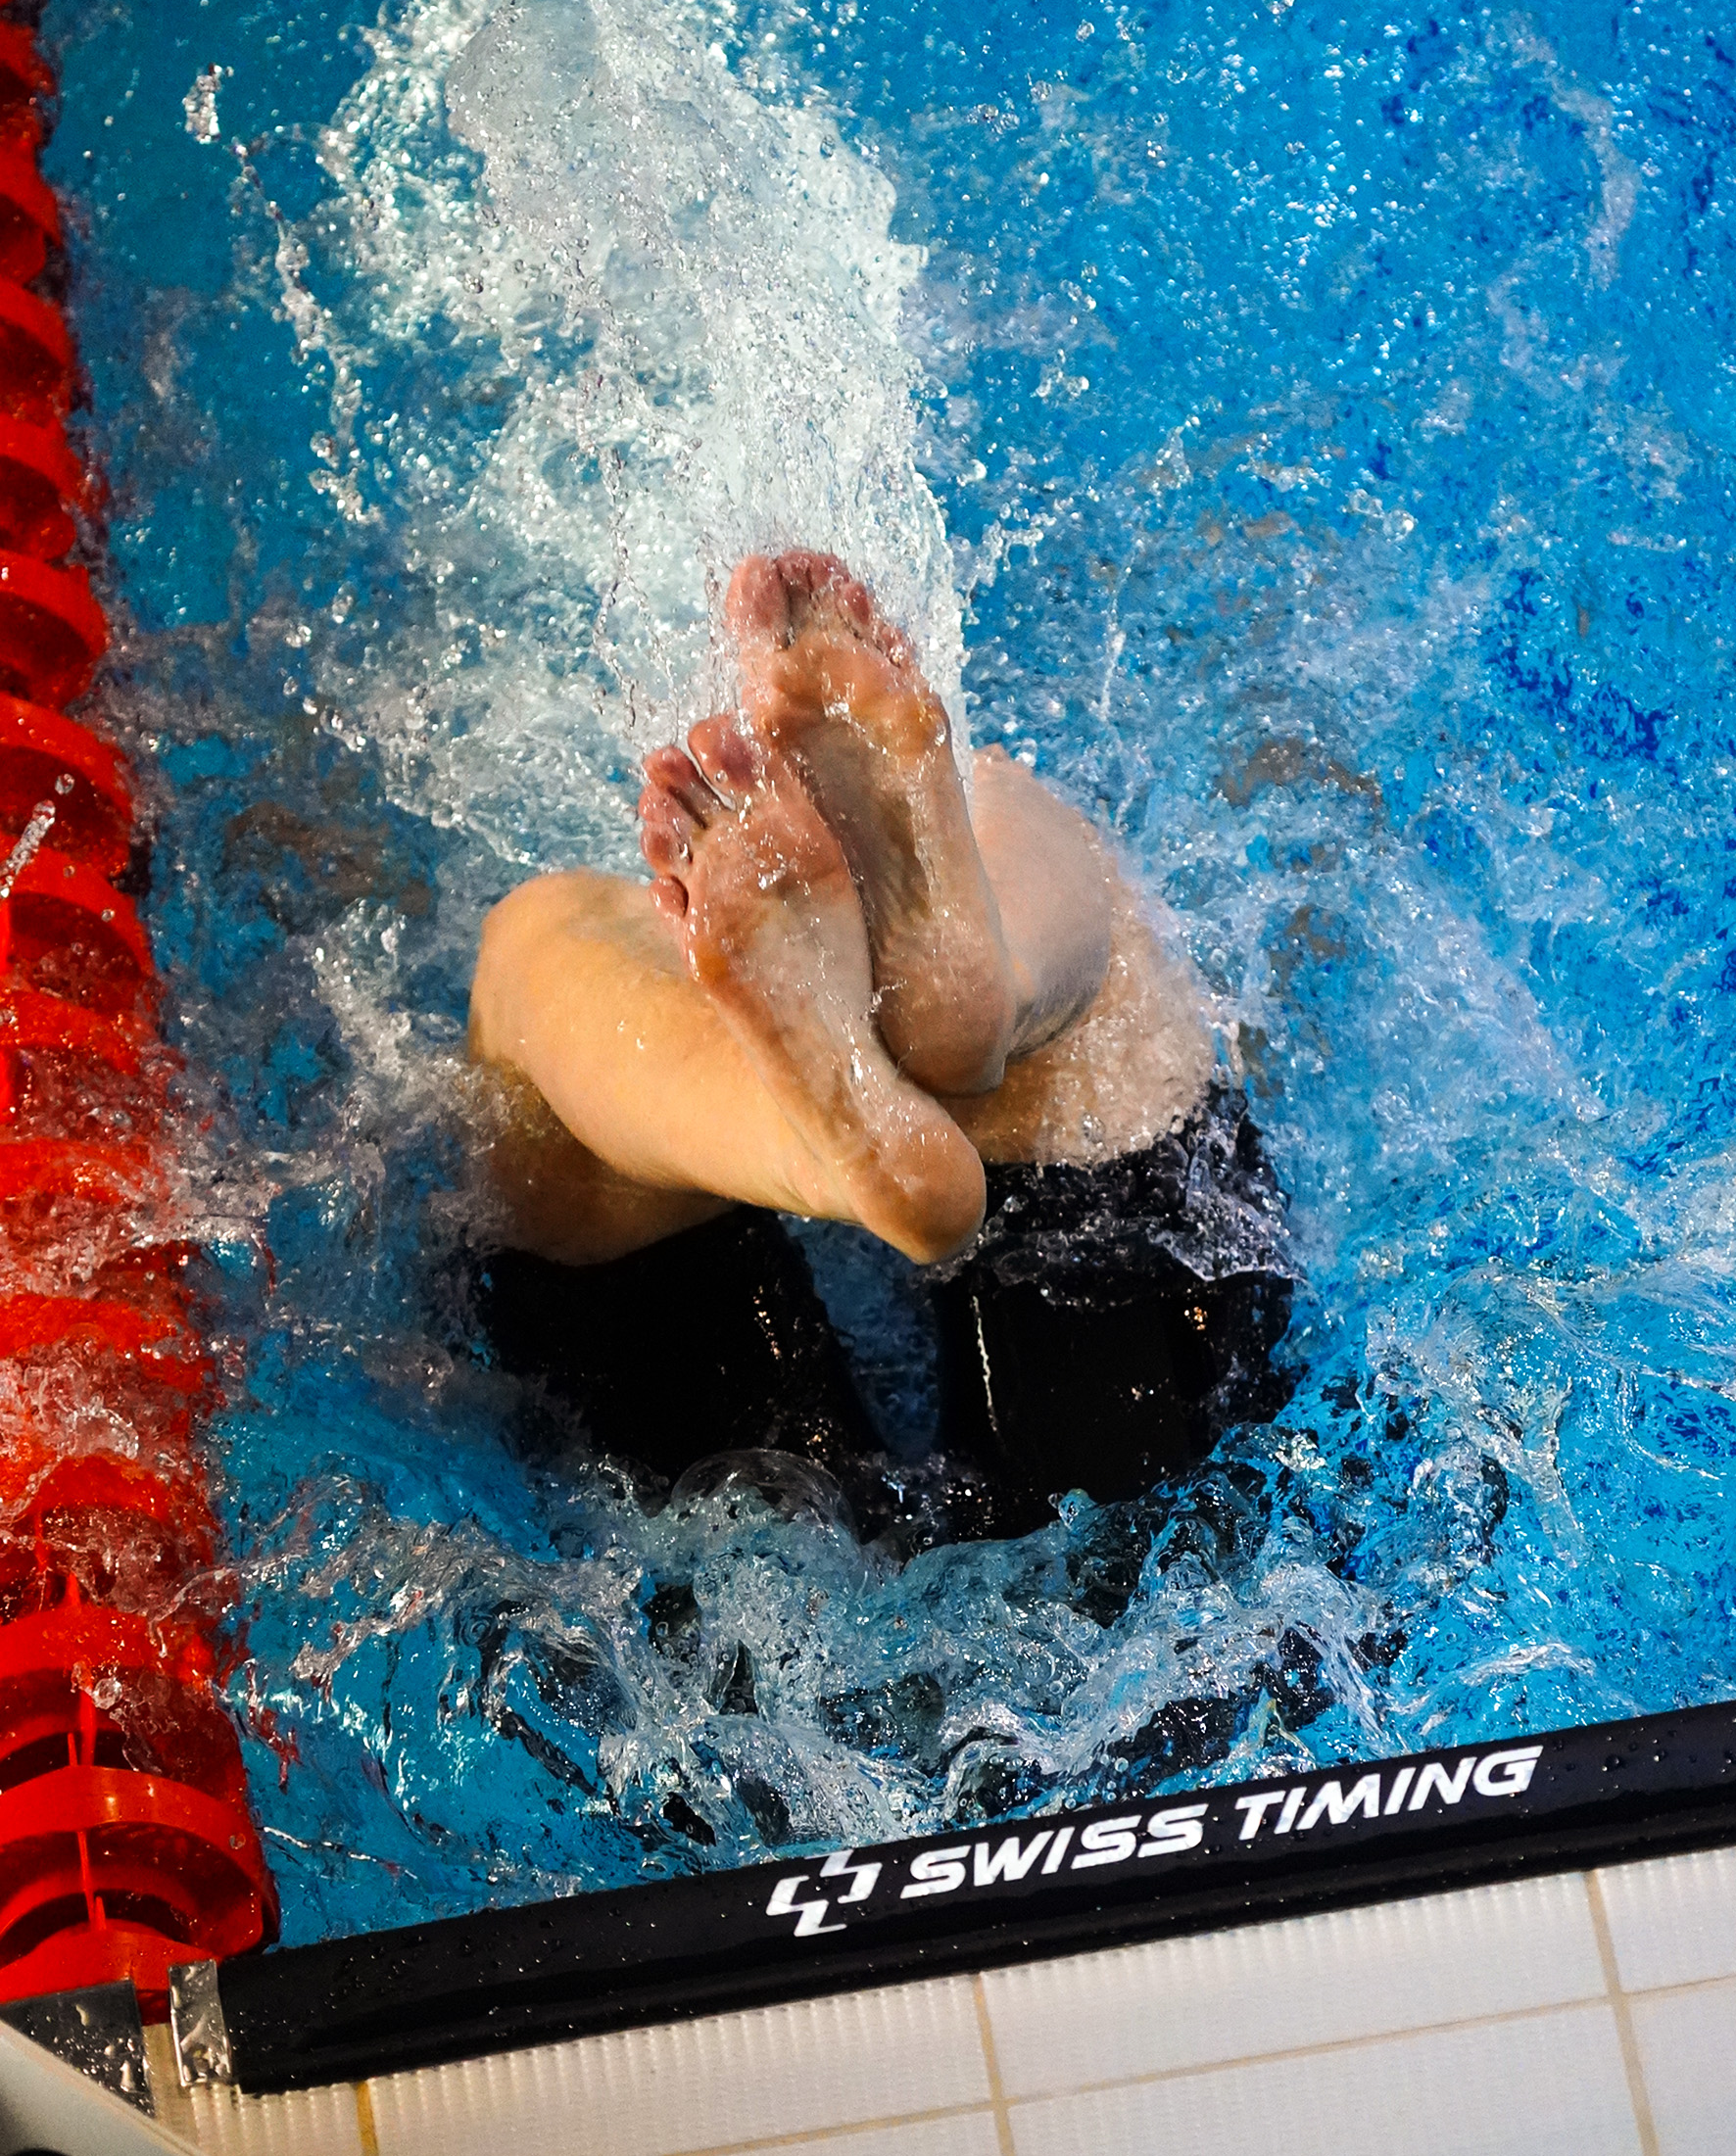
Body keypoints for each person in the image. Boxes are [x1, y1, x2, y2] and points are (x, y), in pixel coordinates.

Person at [466, 551, 1290, 1535]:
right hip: (1146, 1503)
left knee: (533, 955)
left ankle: (813, 1141)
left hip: (747, 1563)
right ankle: (993, 993)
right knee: (1077, 965)